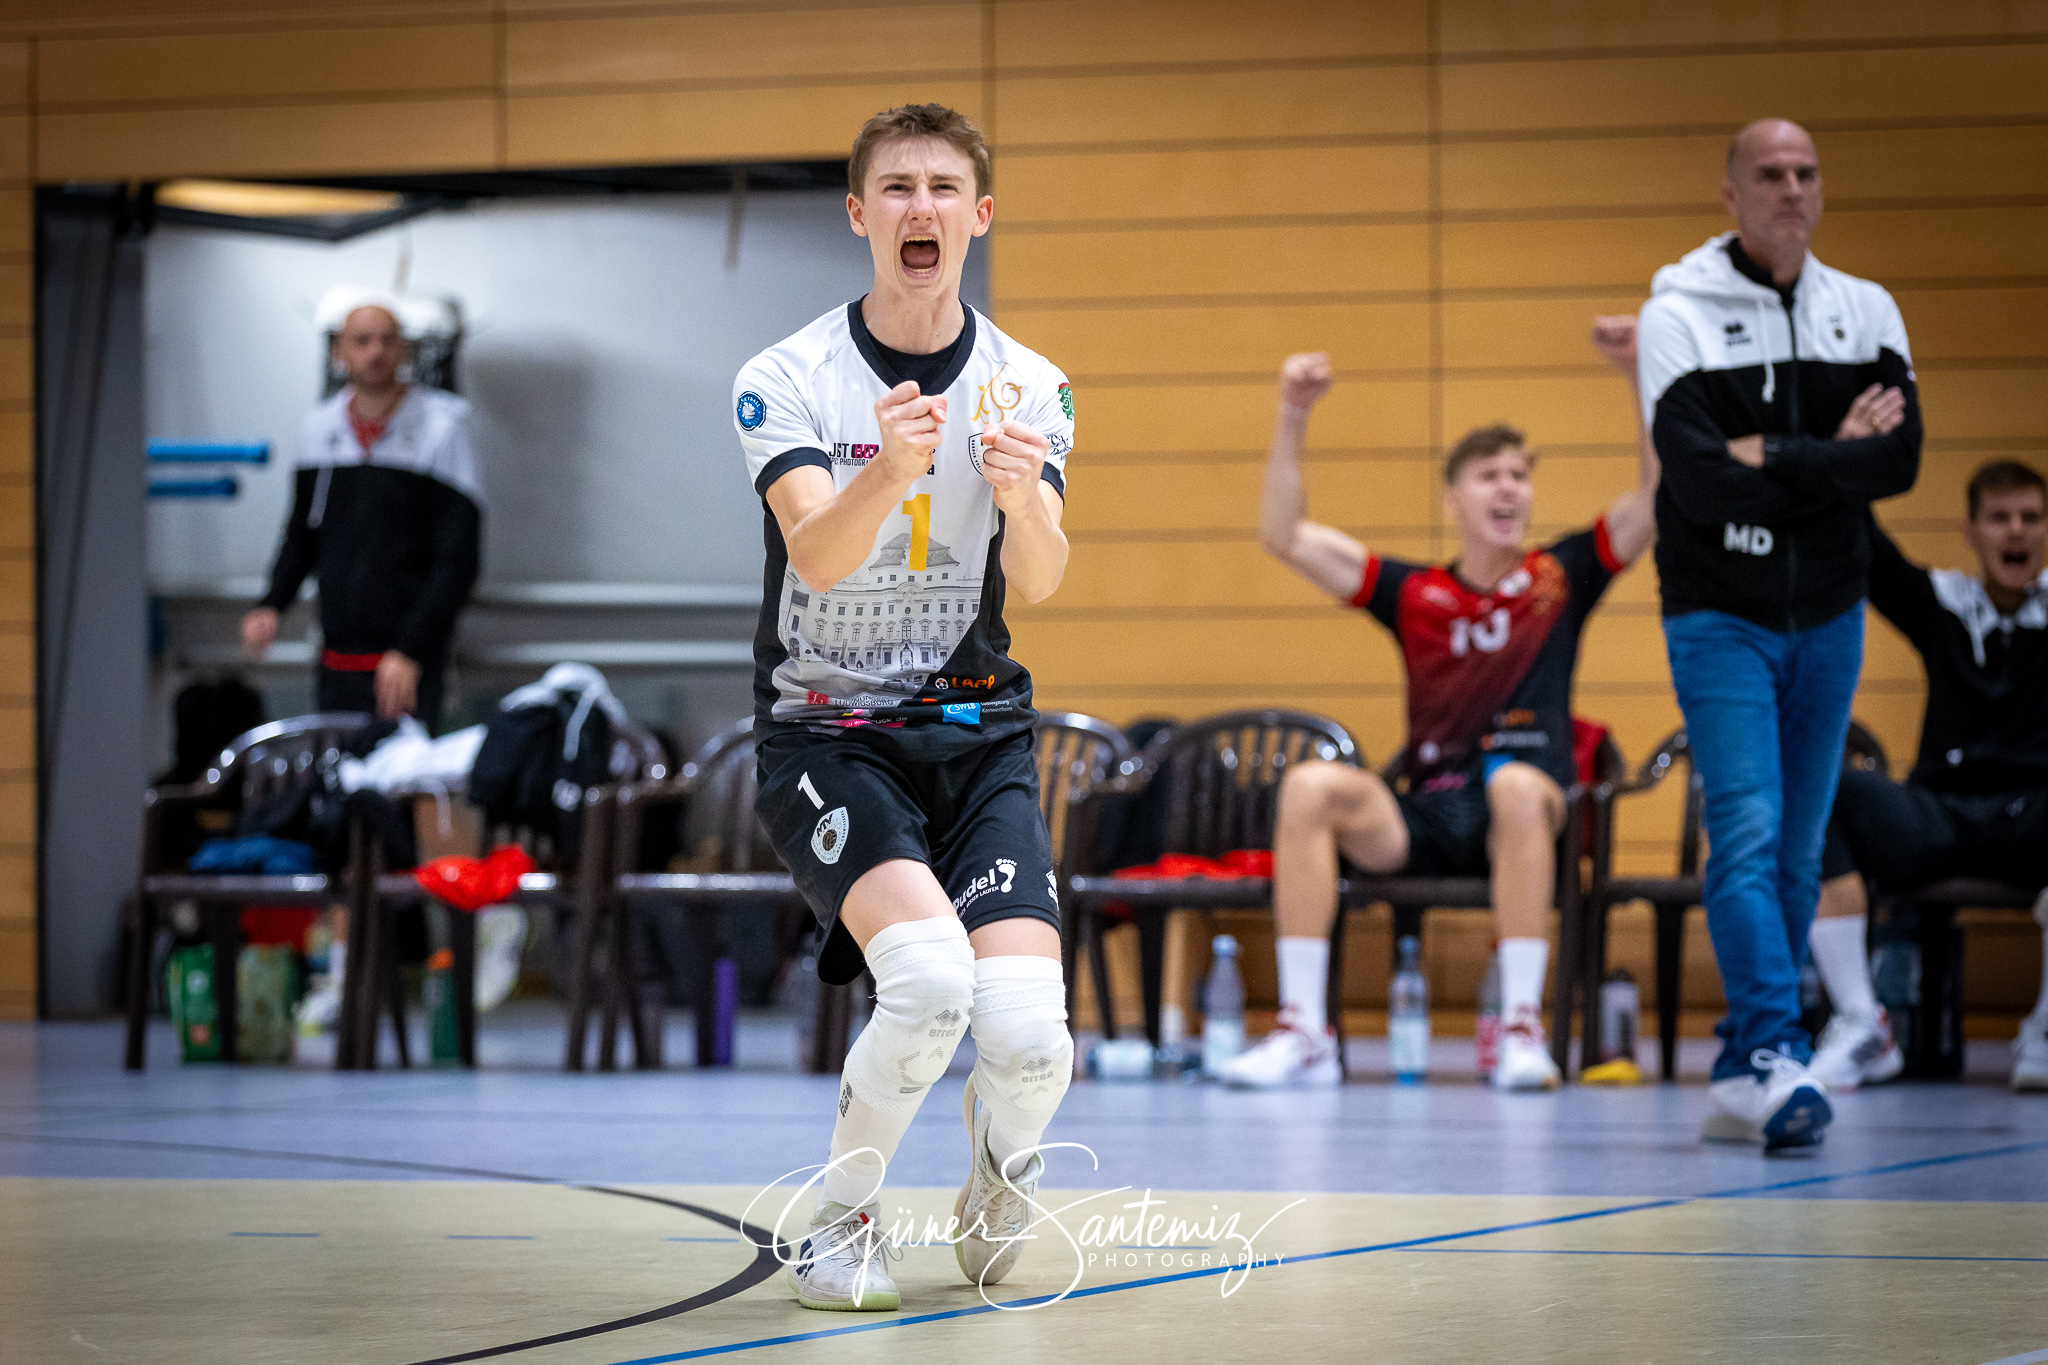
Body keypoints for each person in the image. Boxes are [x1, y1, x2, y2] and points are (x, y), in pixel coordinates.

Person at [734, 104, 1075, 1312]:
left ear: (977, 216)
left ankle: (997, 1171)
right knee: (928, 984)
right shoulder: (783, 378)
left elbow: (1037, 578)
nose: (919, 207)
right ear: (859, 216)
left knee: (1032, 1032)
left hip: (978, 731)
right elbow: (817, 560)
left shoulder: (1030, 384)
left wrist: (1024, 499)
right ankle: (837, 1221)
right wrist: (889, 466)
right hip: (828, 732)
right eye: (895, 188)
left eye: (942, 188)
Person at [1223, 317, 1656, 1093]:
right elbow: (1282, 534)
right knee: (1309, 787)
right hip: (1428, 810)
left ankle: (1521, 1027)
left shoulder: (1561, 577)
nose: (1509, 488)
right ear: (1455, 496)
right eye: (1490, 474)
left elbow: (1659, 498)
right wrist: (1292, 411)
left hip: (1527, 815)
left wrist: (1638, 372)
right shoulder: (1418, 593)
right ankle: (1303, 1029)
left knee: (1518, 786)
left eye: (1520, 474)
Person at [1636, 119, 1922, 1150]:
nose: (1789, 189)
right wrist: (1829, 456)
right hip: (1719, 615)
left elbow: (1898, 467)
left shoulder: (1865, 311)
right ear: (1729, 192)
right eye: (1768, 174)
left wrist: (1780, 456)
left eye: (1804, 173)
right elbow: (1702, 486)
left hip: (1829, 614)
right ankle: (1769, 1049)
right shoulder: (1677, 315)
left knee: (1798, 848)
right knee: (1748, 831)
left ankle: (1733, 1067)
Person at [1807, 461, 2048, 1093]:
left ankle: (2045, 1029)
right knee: (1823, 792)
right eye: (1999, 518)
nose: (2014, 532)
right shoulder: (1942, 606)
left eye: (2029, 518)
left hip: (2031, 818)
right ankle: (1863, 1022)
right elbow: (1874, 552)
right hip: (1937, 815)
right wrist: (1849, 451)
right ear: (1971, 531)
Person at [242, 298, 483, 729]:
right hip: (338, 652)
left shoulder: (441, 430)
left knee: (401, 782)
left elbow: (458, 559)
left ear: (404, 352)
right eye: (363, 341)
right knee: (337, 779)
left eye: (388, 341)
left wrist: (411, 649)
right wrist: (272, 603)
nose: (375, 352)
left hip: (408, 660)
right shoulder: (320, 429)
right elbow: (302, 533)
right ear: (339, 352)